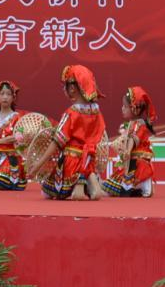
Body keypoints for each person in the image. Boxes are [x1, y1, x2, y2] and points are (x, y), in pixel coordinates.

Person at [26, 65, 106, 201]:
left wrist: (37, 166)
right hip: (89, 159)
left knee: (47, 193)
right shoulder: (96, 113)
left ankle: (77, 189)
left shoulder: (71, 113)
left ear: (73, 88)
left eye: (65, 86)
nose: (64, 89)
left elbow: (57, 142)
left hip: (71, 161)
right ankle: (90, 182)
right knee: (86, 168)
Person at [103, 86, 157, 198]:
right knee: (116, 184)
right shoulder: (132, 124)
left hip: (138, 161)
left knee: (129, 181)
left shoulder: (139, 124)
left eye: (125, 106)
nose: (122, 108)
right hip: (131, 160)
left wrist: (127, 150)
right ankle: (137, 188)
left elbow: (134, 138)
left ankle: (144, 184)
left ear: (135, 109)